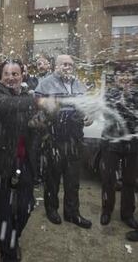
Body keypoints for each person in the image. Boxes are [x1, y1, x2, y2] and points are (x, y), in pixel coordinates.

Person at [0, 59, 56, 262]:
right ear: (0, 77)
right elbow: (7, 106)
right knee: (3, 211)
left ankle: (13, 239)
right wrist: (37, 101)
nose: (10, 77)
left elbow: (34, 125)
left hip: (24, 162)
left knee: (25, 208)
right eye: (6, 73)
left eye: (15, 73)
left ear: (22, 76)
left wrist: (48, 115)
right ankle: (7, 253)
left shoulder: (27, 96)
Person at [35, 54, 92, 229]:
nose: (67, 67)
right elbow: (36, 104)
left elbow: (87, 108)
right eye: (64, 64)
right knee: (52, 178)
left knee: (73, 180)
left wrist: (89, 117)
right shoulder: (45, 83)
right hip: (53, 139)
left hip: (75, 139)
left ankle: (72, 213)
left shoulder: (78, 84)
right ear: (55, 67)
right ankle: (52, 209)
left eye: (70, 64)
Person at [99, 63, 138, 230]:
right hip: (112, 142)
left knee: (130, 181)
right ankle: (106, 210)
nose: (125, 78)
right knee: (109, 180)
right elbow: (109, 115)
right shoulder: (109, 94)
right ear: (115, 78)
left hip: (132, 143)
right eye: (122, 75)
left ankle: (127, 214)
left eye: (129, 75)